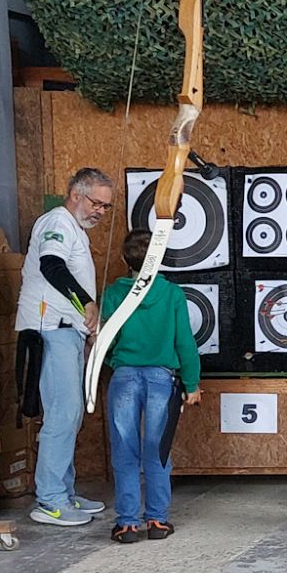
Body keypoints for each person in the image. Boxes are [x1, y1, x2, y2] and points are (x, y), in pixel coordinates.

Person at [17, 167, 115, 527]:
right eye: (96, 203)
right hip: (50, 329)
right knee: (62, 412)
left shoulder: (75, 229)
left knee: (71, 413)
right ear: (75, 194)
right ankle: (50, 501)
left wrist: (85, 324)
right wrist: (85, 303)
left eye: (106, 207)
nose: (100, 212)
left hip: (67, 330)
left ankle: (64, 492)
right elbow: (51, 266)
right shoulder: (56, 222)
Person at [97, 231, 201, 543]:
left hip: (124, 376)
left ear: (124, 259)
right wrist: (192, 384)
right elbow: (185, 342)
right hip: (161, 379)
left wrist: (115, 360)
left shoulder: (114, 294)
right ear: (160, 258)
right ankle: (157, 520)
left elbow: (106, 340)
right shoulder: (171, 294)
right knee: (158, 449)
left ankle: (127, 523)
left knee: (124, 449)